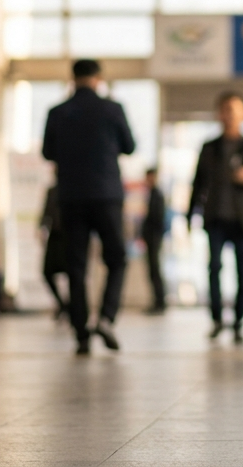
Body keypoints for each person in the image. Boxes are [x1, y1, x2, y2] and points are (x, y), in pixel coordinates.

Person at [42, 59, 136, 355]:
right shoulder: (112, 109)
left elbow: (47, 152)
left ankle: (81, 332)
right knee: (117, 258)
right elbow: (129, 146)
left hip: (70, 197)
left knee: (76, 266)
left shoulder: (57, 112)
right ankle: (106, 318)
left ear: (73, 79)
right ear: (98, 79)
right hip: (107, 195)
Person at [188, 92, 243, 344]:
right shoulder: (209, 147)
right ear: (218, 114)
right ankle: (216, 319)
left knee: (242, 273)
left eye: (235, 110)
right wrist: (189, 214)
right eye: (225, 110)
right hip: (216, 217)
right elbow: (198, 183)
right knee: (214, 268)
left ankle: (238, 320)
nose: (230, 116)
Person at [140, 167, 169, 315]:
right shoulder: (152, 194)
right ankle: (158, 301)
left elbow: (157, 218)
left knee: (155, 269)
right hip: (152, 237)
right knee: (153, 270)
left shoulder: (157, 194)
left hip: (154, 237)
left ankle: (160, 302)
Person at [39, 184, 69, 320]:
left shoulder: (74, 189)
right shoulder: (52, 191)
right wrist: (41, 227)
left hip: (70, 236)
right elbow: (46, 211)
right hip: (55, 236)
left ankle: (72, 306)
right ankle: (62, 304)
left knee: (74, 273)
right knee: (47, 272)